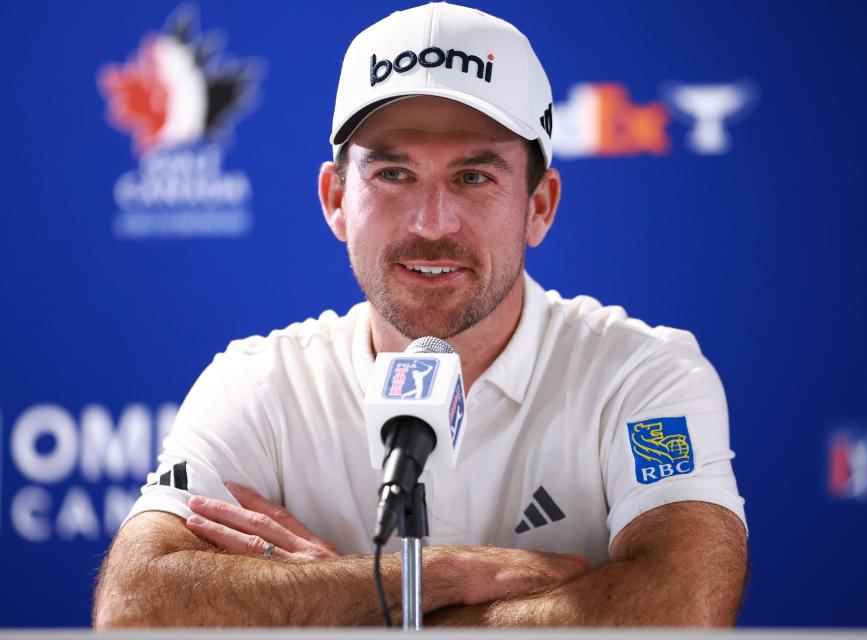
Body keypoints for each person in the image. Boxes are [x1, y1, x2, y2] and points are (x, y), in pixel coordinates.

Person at [93, 3, 747, 627]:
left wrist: (341, 602)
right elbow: (133, 609)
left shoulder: (640, 375)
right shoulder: (260, 386)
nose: (432, 223)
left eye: (472, 177)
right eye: (395, 174)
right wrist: (434, 576)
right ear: (336, 199)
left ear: (540, 205)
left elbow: (683, 609)